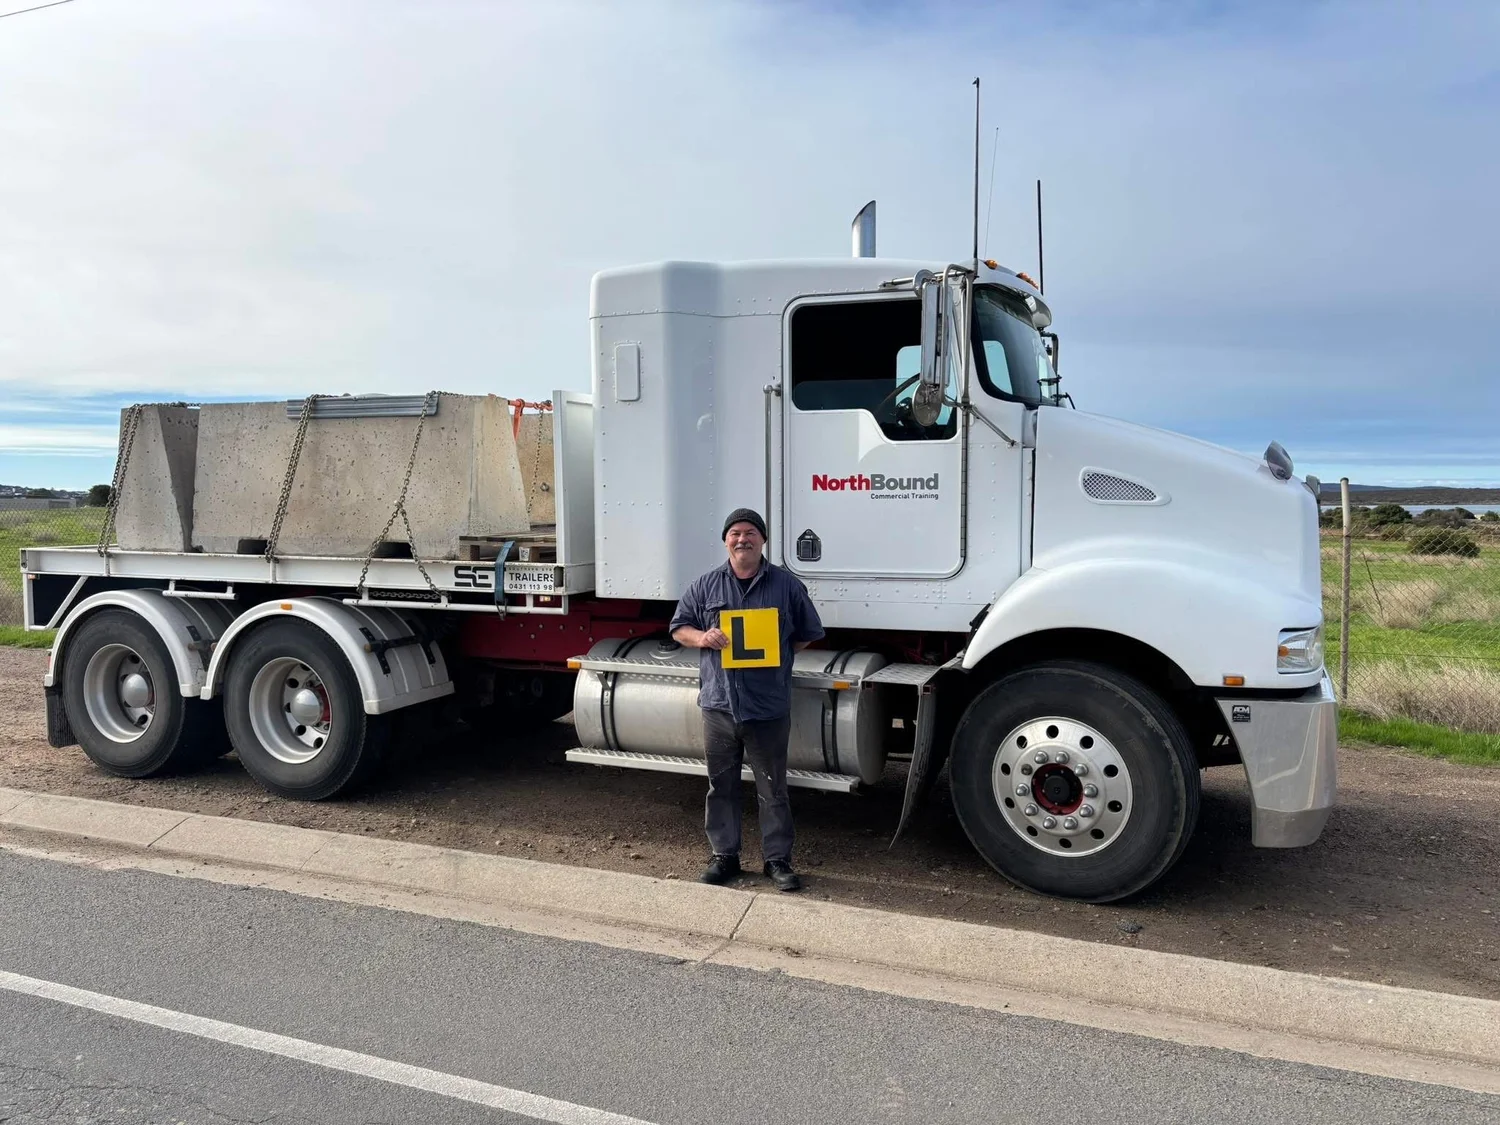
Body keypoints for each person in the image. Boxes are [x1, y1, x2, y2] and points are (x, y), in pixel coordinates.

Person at [669, 507, 825, 891]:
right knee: (720, 786)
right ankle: (725, 857)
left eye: (751, 532)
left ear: (763, 540)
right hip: (719, 705)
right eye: (736, 533)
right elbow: (679, 628)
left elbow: (807, 634)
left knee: (772, 788)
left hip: (767, 706)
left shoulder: (787, 586)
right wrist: (703, 637)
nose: (743, 539)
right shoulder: (705, 586)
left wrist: (777, 656)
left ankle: (777, 861)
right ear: (726, 541)